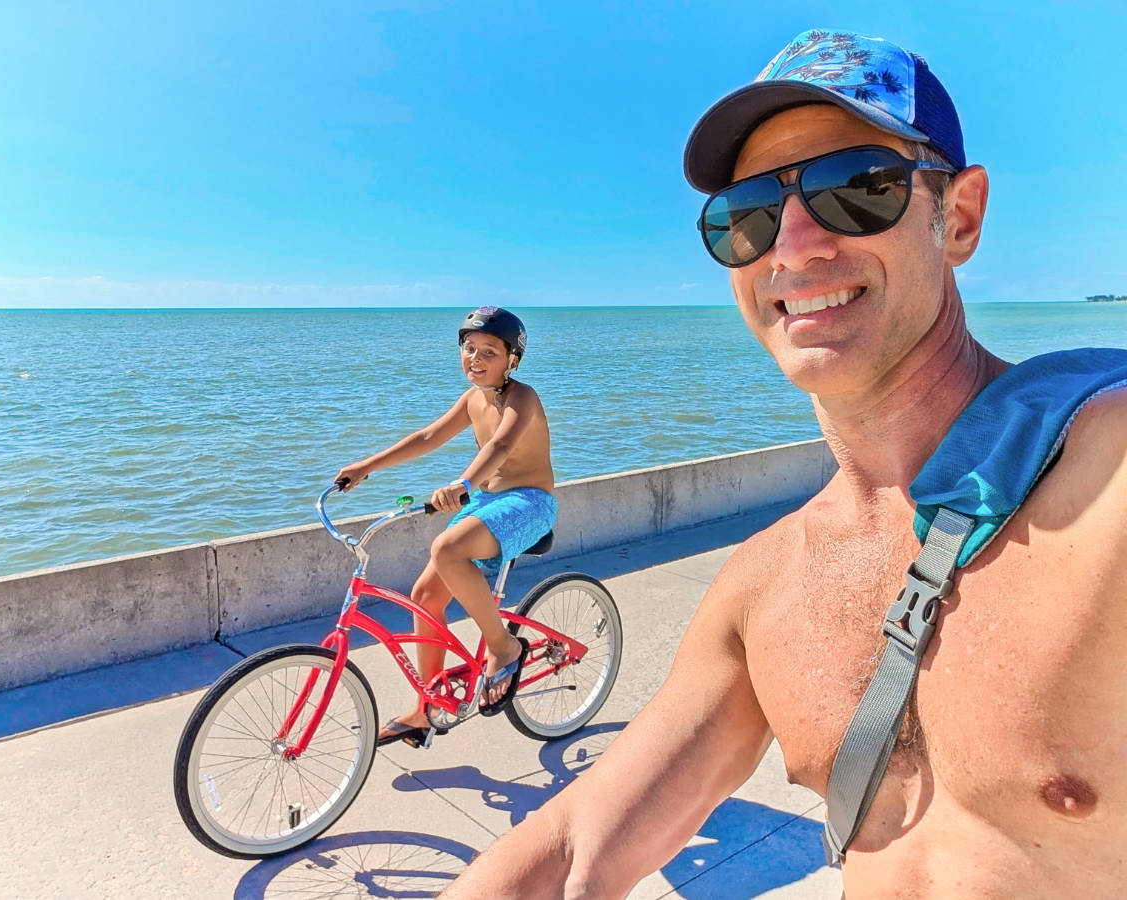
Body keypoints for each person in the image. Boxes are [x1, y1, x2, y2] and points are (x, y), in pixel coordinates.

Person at [443, 30, 1127, 898]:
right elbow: (578, 848)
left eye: (859, 188)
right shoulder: (768, 586)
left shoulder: (1106, 475)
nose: (794, 247)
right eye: (748, 217)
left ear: (956, 216)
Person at [334, 305, 556, 746]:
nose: (475, 358)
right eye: (469, 348)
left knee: (447, 548)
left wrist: (463, 483)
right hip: (487, 500)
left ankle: (503, 646)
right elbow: (428, 437)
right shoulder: (473, 398)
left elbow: (502, 443)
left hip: (530, 501)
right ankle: (425, 709)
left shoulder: (522, 397)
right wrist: (367, 466)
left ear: (512, 360)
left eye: (489, 351)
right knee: (424, 597)